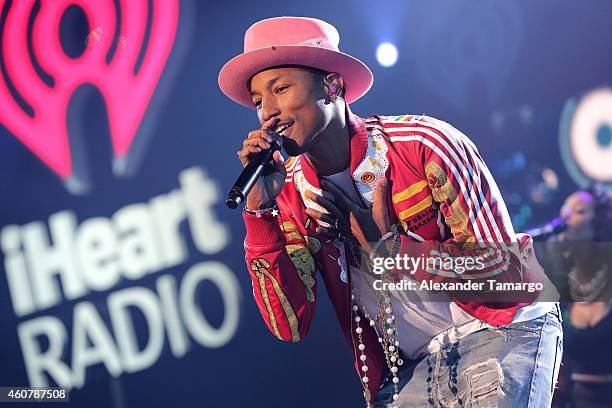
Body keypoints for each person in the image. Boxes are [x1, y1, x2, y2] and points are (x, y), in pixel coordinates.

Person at [218, 16, 562, 407]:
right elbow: (289, 325)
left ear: (334, 86)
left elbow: (510, 278)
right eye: (259, 101)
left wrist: (395, 250)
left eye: (280, 89)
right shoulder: (290, 194)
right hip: (411, 369)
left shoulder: (424, 145)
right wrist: (259, 215)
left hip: (497, 328)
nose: (267, 112)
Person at [548, 185, 612, 408]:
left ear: (600, 222)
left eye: (580, 211)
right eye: (564, 210)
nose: (566, 216)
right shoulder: (560, 286)